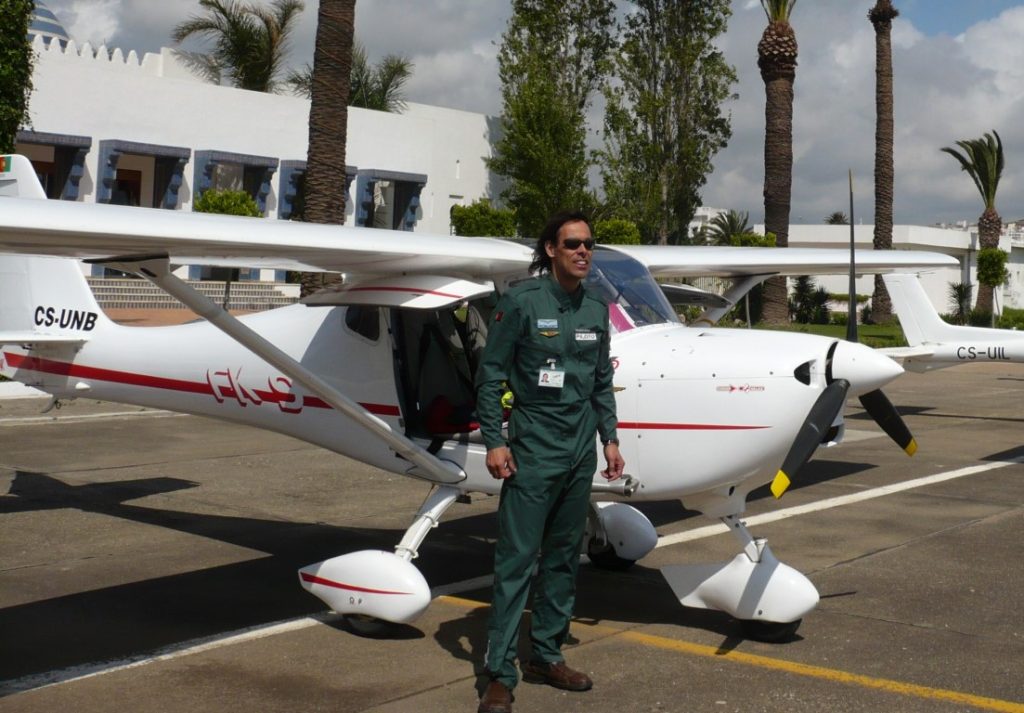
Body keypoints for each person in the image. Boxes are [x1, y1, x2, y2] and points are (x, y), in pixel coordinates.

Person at [474, 211, 624, 713]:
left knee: (563, 558)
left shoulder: (596, 309)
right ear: (551, 250)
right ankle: (499, 673)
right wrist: (495, 440)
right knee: (516, 561)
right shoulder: (520, 302)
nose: (584, 252)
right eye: (573, 244)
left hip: (580, 451)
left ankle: (546, 654)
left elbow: (600, 379)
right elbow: (491, 375)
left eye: (589, 245)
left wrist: (610, 439)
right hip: (533, 449)